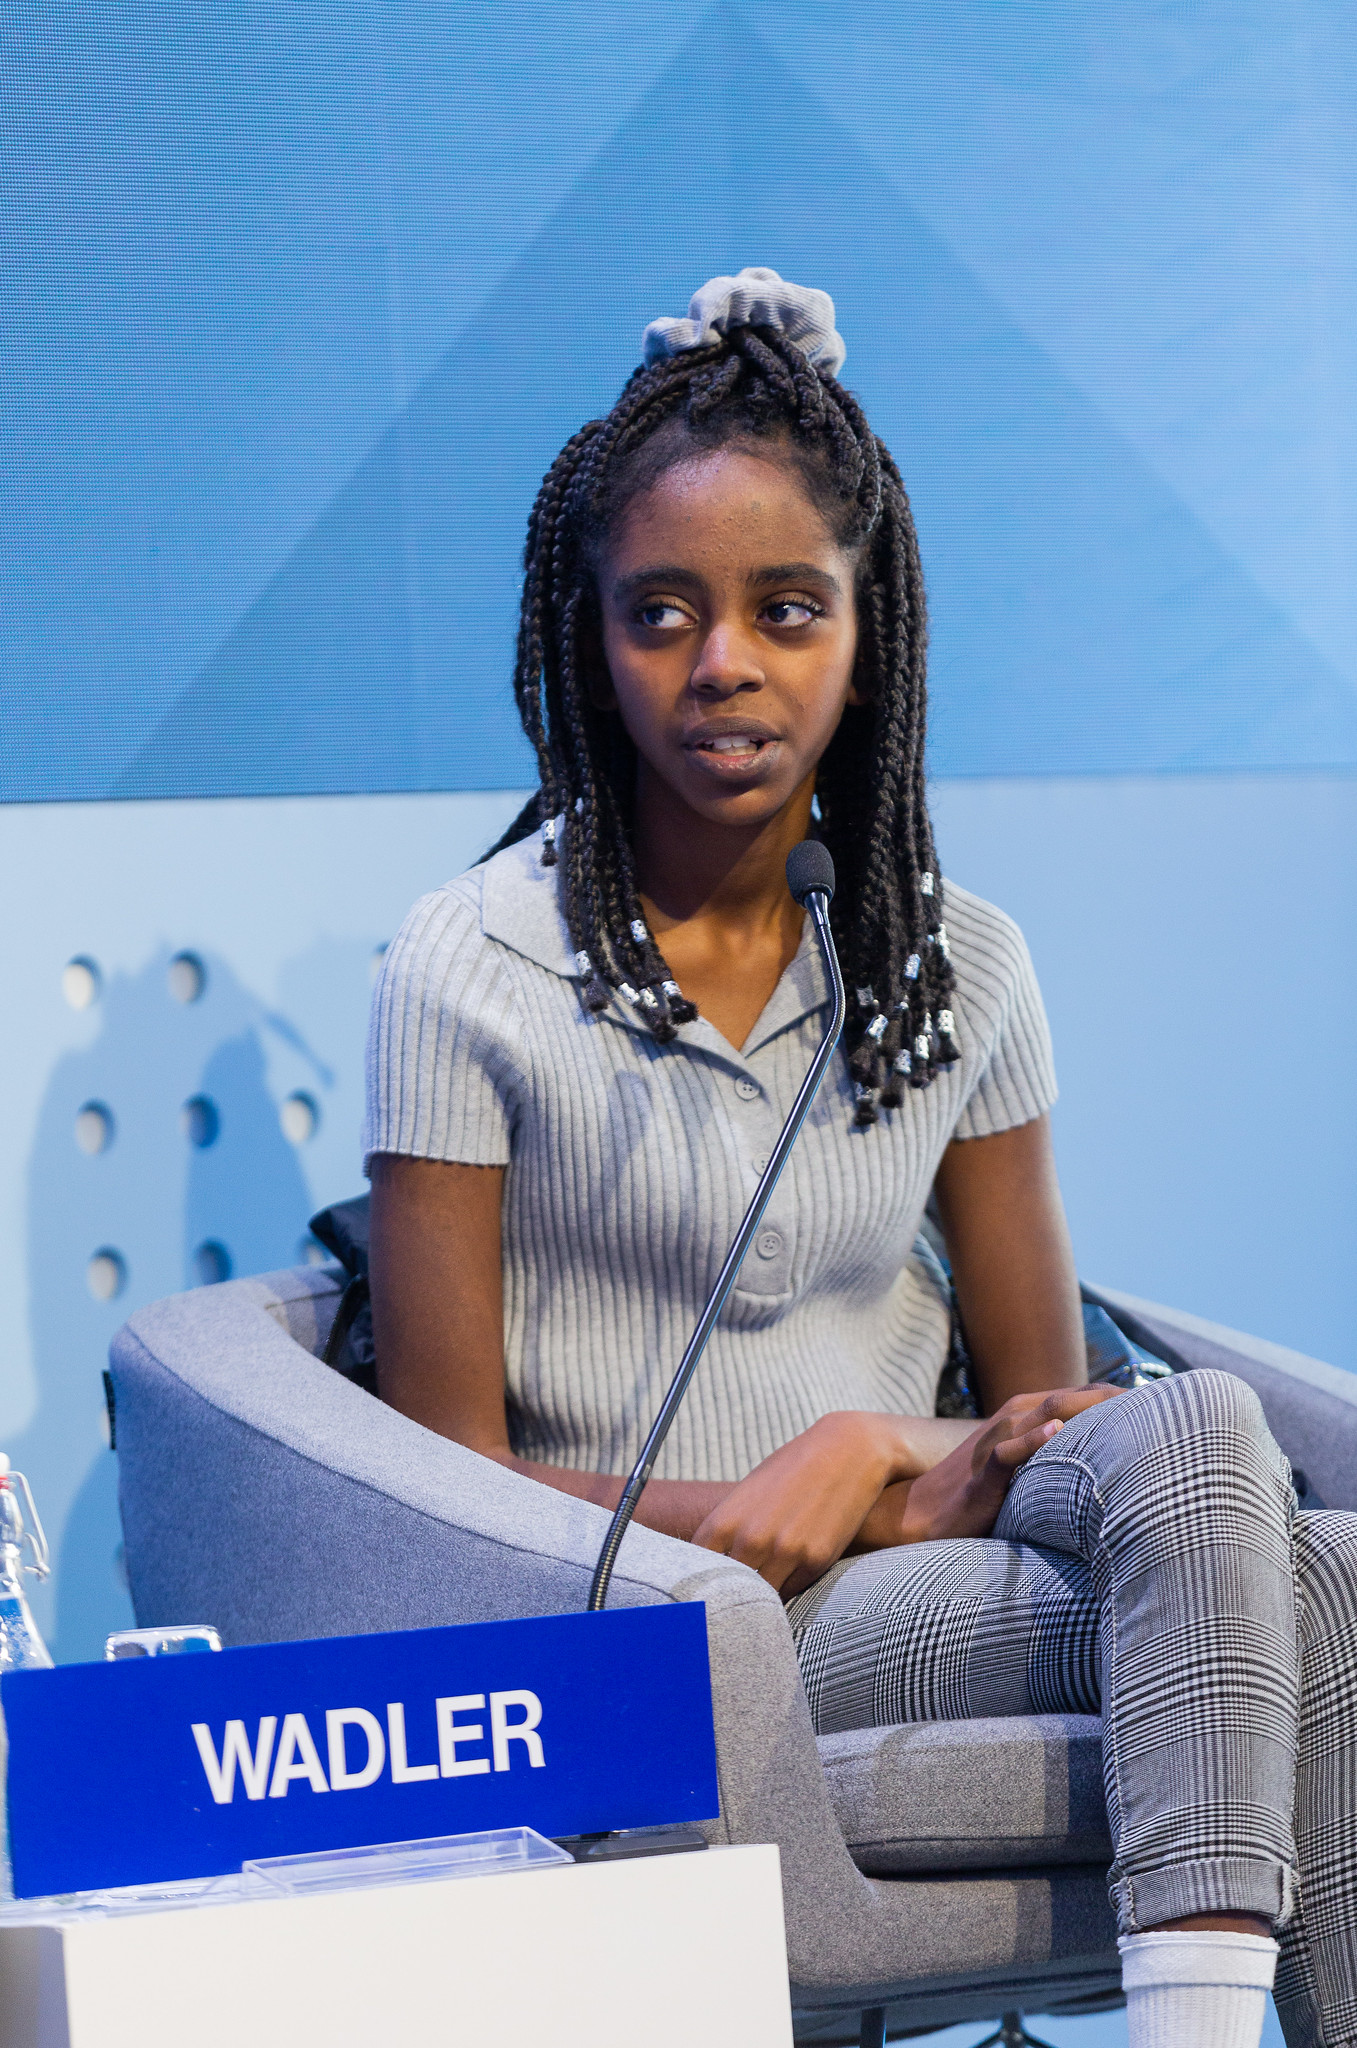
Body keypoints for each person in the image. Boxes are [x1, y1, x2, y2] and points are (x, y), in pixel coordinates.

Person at [364, 269, 1356, 2048]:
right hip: (683, 1622)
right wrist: (756, 1518)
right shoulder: (469, 962)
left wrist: (878, 1452)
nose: (722, 664)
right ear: (588, 635)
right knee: (1330, 1592)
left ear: (863, 632)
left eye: (783, 611)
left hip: (932, 1542)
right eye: (659, 613)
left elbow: (1045, 1411)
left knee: (1199, 1437)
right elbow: (445, 1485)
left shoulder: (957, 962)